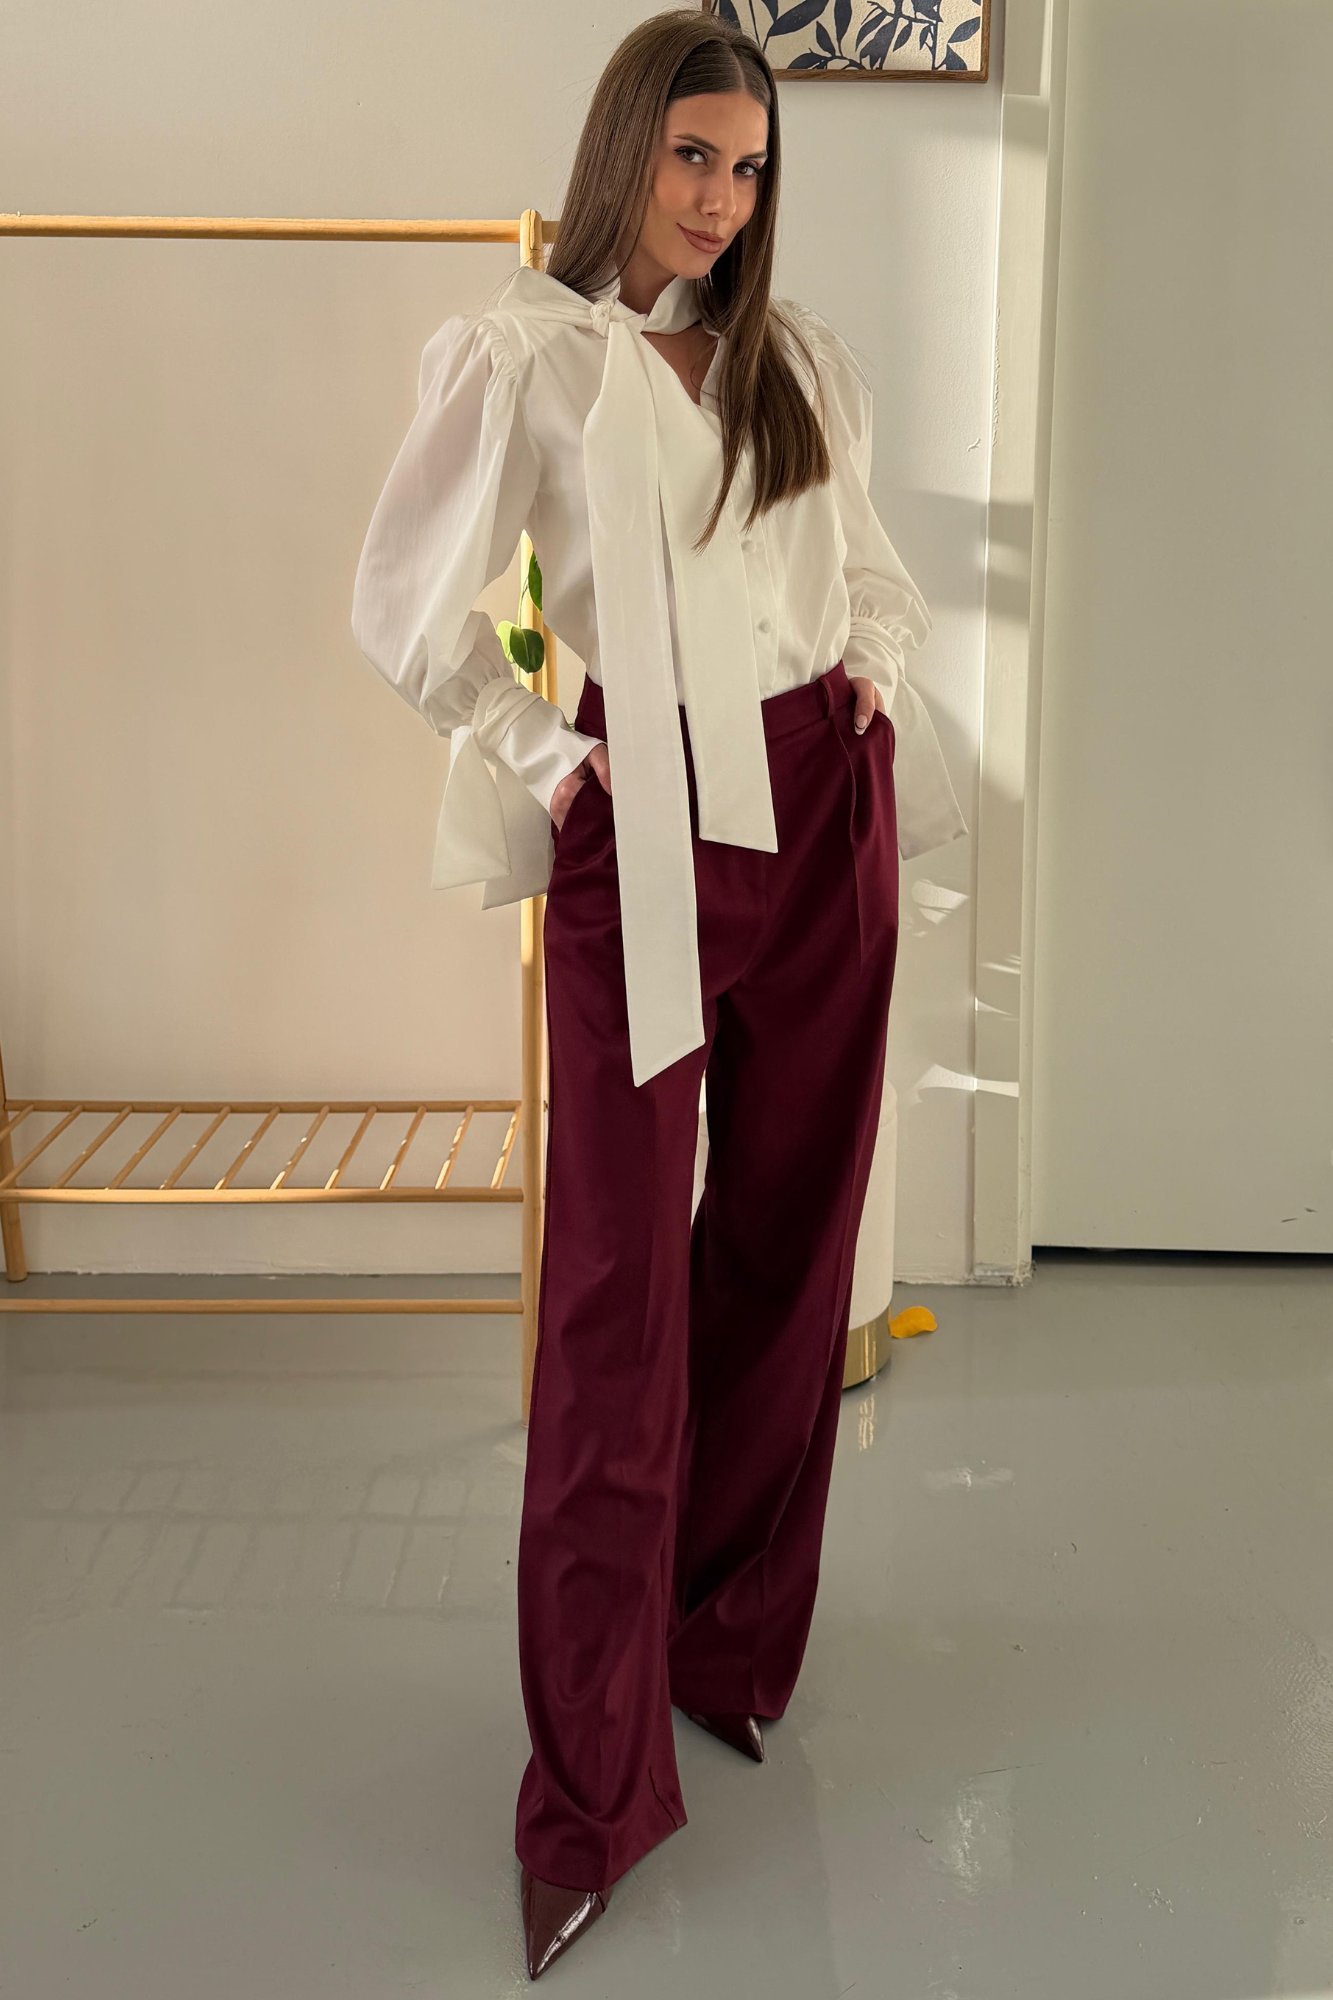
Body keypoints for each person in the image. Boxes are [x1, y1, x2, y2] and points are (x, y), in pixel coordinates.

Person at [350, 7, 967, 1979]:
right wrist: (552, 760)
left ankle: (722, 1642)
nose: (719, 198)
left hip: (818, 802)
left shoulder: (793, 360)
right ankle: (588, 1788)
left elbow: (866, 569)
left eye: (750, 167)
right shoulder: (521, 356)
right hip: (645, 817)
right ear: (626, 146)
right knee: (616, 1301)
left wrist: (867, 683)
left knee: (790, 1249)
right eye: (694, 155)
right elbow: (411, 608)